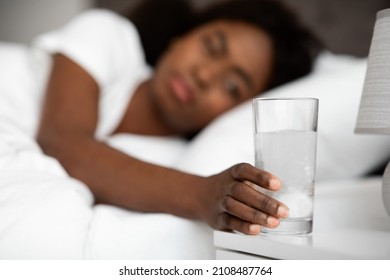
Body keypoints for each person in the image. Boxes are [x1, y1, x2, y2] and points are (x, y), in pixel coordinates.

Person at [32, 0, 321, 235]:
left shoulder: (177, 161)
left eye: (232, 86)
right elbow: (62, 141)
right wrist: (202, 195)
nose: (204, 75)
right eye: (211, 46)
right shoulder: (109, 35)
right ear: (181, 38)